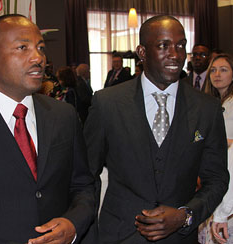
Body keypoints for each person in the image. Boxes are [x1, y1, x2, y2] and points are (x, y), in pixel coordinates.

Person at [0, 14, 95, 244]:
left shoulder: (62, 115)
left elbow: (83, 186)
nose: (38, 58)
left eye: (40, 48)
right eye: (22, 48)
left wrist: (73, 225)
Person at [84, 15, 229, 243]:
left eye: (181, 46)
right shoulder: (108, 103)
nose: (175, 54)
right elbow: (86, 176)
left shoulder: (206, 108)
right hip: (119, 235)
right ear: (142, 52)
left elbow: (217, 179)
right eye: (163, 46)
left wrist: (185, 215)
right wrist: (87, 235)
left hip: (180, 238)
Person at [198, 53, 233, 244]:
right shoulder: (209, 103)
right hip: (211, 175)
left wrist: (219, 141)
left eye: (224, 70)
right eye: (213, 70)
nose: (217, 74)